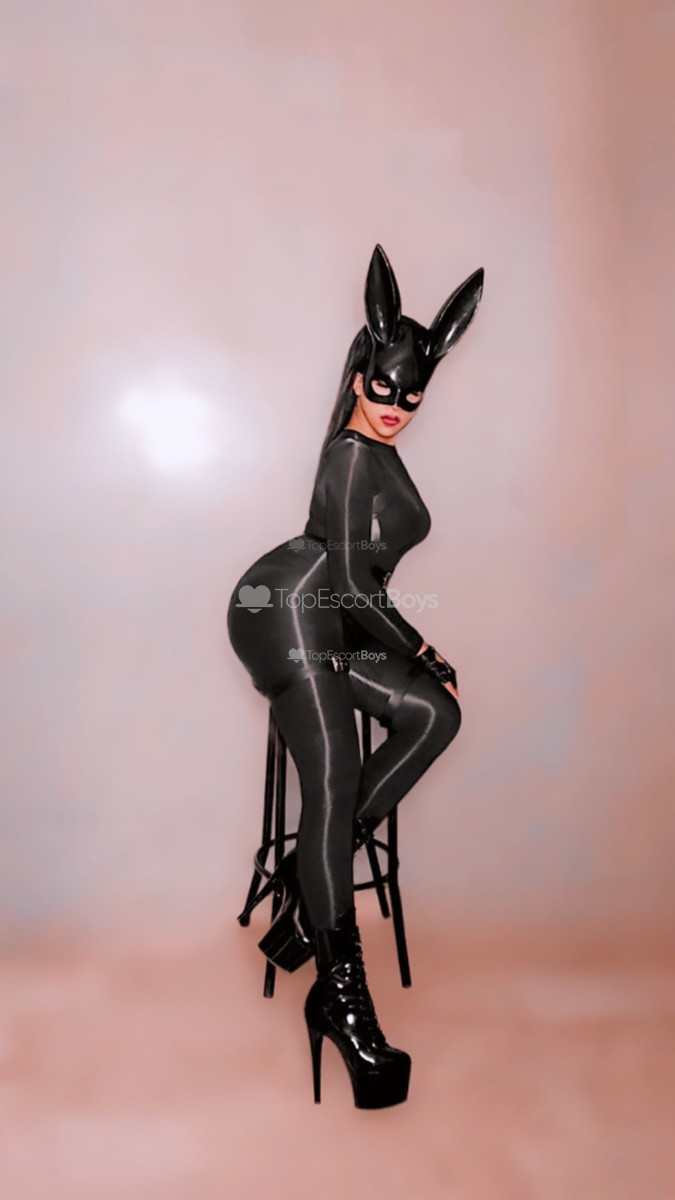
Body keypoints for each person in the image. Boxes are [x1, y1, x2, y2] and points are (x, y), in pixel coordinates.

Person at [227, 244, 484, 1108]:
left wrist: (414, 658)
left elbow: (359, 584)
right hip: (285, 608)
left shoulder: (383, 453)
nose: (394, 407)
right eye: (383, 388)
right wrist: (418, 645)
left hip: (334, 618)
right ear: (358, 374)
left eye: (411, 396)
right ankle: (342, 1001)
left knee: (434, 715)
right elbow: (343, 574)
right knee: (332, 776)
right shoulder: (347, 454)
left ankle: (309, 890)